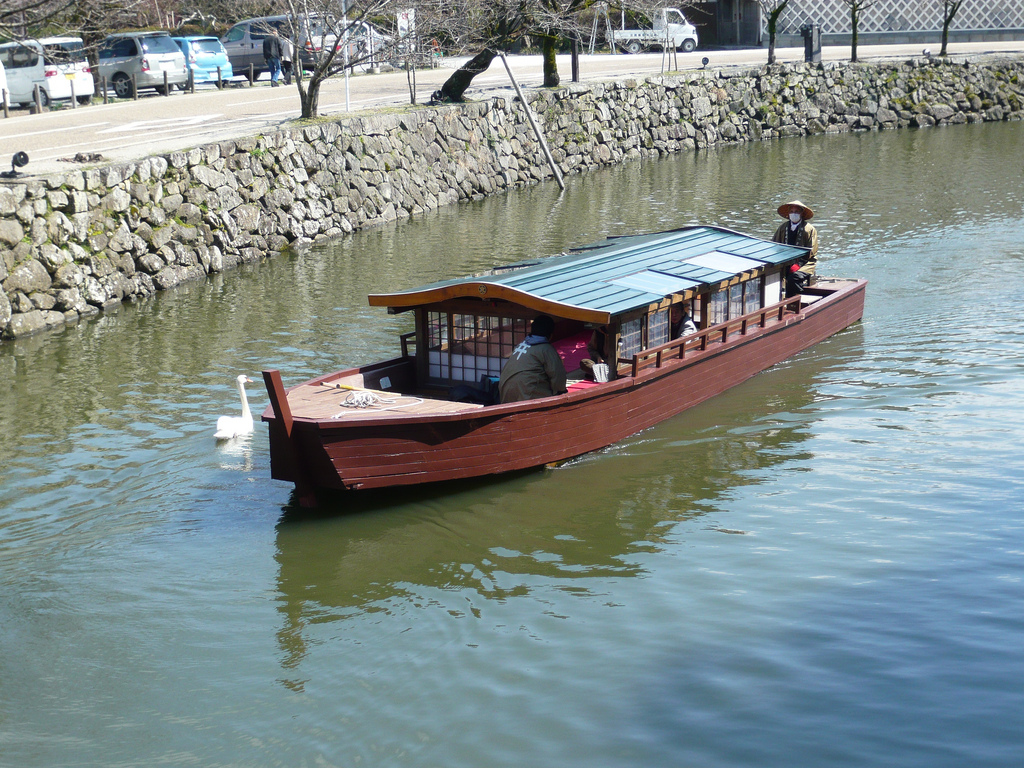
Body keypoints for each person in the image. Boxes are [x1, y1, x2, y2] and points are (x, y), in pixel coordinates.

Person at [498, 315, 567, 403]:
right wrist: (561, 392)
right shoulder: (546, 349)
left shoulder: (521, 345)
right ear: (550, 334)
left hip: (505, 392)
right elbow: (557, 375)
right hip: (526, 394)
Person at [772, 200, 818, 296]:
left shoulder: (809, 229)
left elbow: (811, 251)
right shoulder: (783, 227)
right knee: (771, 275)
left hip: (805, 263)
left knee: (793, 278)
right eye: (791, 212)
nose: (794, 214)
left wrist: (798, 264)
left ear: (801, 213)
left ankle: (794, 302)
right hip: (785, 261)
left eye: (796, 212)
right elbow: (775, 245)